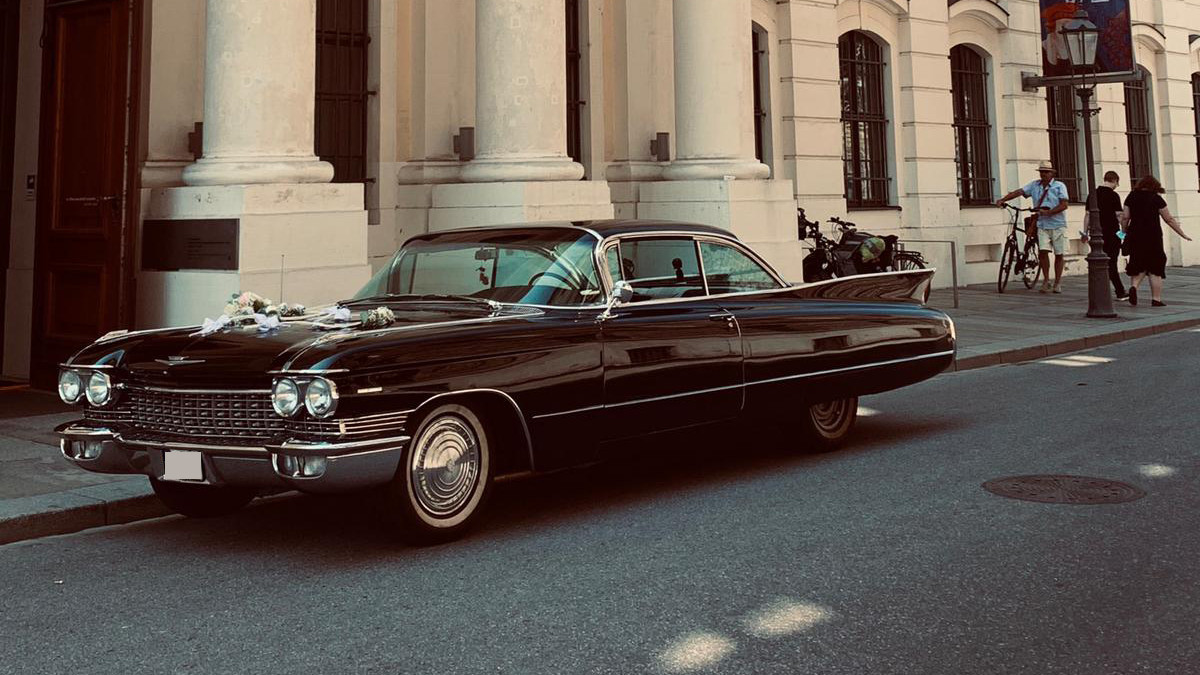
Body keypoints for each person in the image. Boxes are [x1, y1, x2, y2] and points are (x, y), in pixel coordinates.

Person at [997, 162, 1070, 293]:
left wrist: (1049, 212)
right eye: (1041, 172)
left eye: (1046, 172)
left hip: (1058, 225)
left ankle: (1057, 282)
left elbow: (1064, 205)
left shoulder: (1059, 186)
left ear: (1052, 173)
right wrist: (1003, 199)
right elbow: (1019, 192)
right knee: (1043, 252)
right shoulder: (1035, 185)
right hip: (1041, 224)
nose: (1043, 174)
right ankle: (1046, 280)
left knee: (1059, 254)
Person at [1121, 174, 1192, 307]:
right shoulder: (1156, 199)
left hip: (1135, 235)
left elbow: (1125, 217)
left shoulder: (1131, 196)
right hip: (1153, 237)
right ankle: (1156, 299)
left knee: (1137, 262)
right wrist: (1182, 234)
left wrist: (1123, 232)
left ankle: (1134, 287)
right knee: (1155, 267)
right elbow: (1168, 219)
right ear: (1155, 186)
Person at [1081, 171, 1128, 300]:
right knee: (1111, 262)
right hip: (1112, 234)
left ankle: (1106, 290)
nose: (1117, 186)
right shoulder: (1114, 196)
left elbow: (1088, 215)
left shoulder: (1092, 194)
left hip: (1096, 235)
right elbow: (1119, 216)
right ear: (1115, 180)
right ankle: (1118, 291)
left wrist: (1085, 232)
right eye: (1117, 183)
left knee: (1099, 262)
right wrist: (1124, 232)